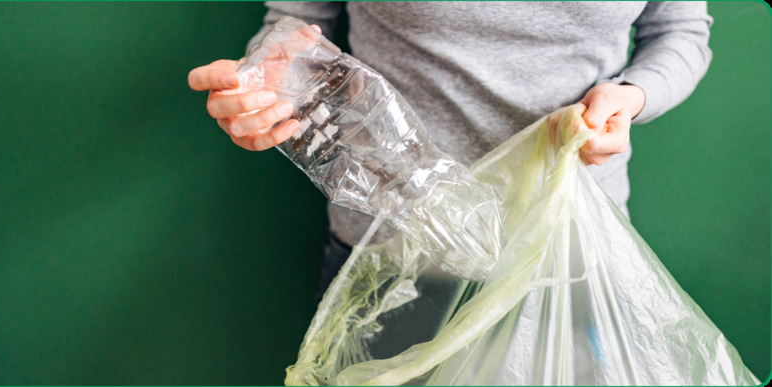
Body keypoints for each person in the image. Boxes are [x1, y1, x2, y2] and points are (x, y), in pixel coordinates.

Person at [188, 1, 713, 298]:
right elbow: (299, 19)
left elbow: (680, 30)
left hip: (569, 244)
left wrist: (632, 98)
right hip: (394, 255)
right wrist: (267, 85)